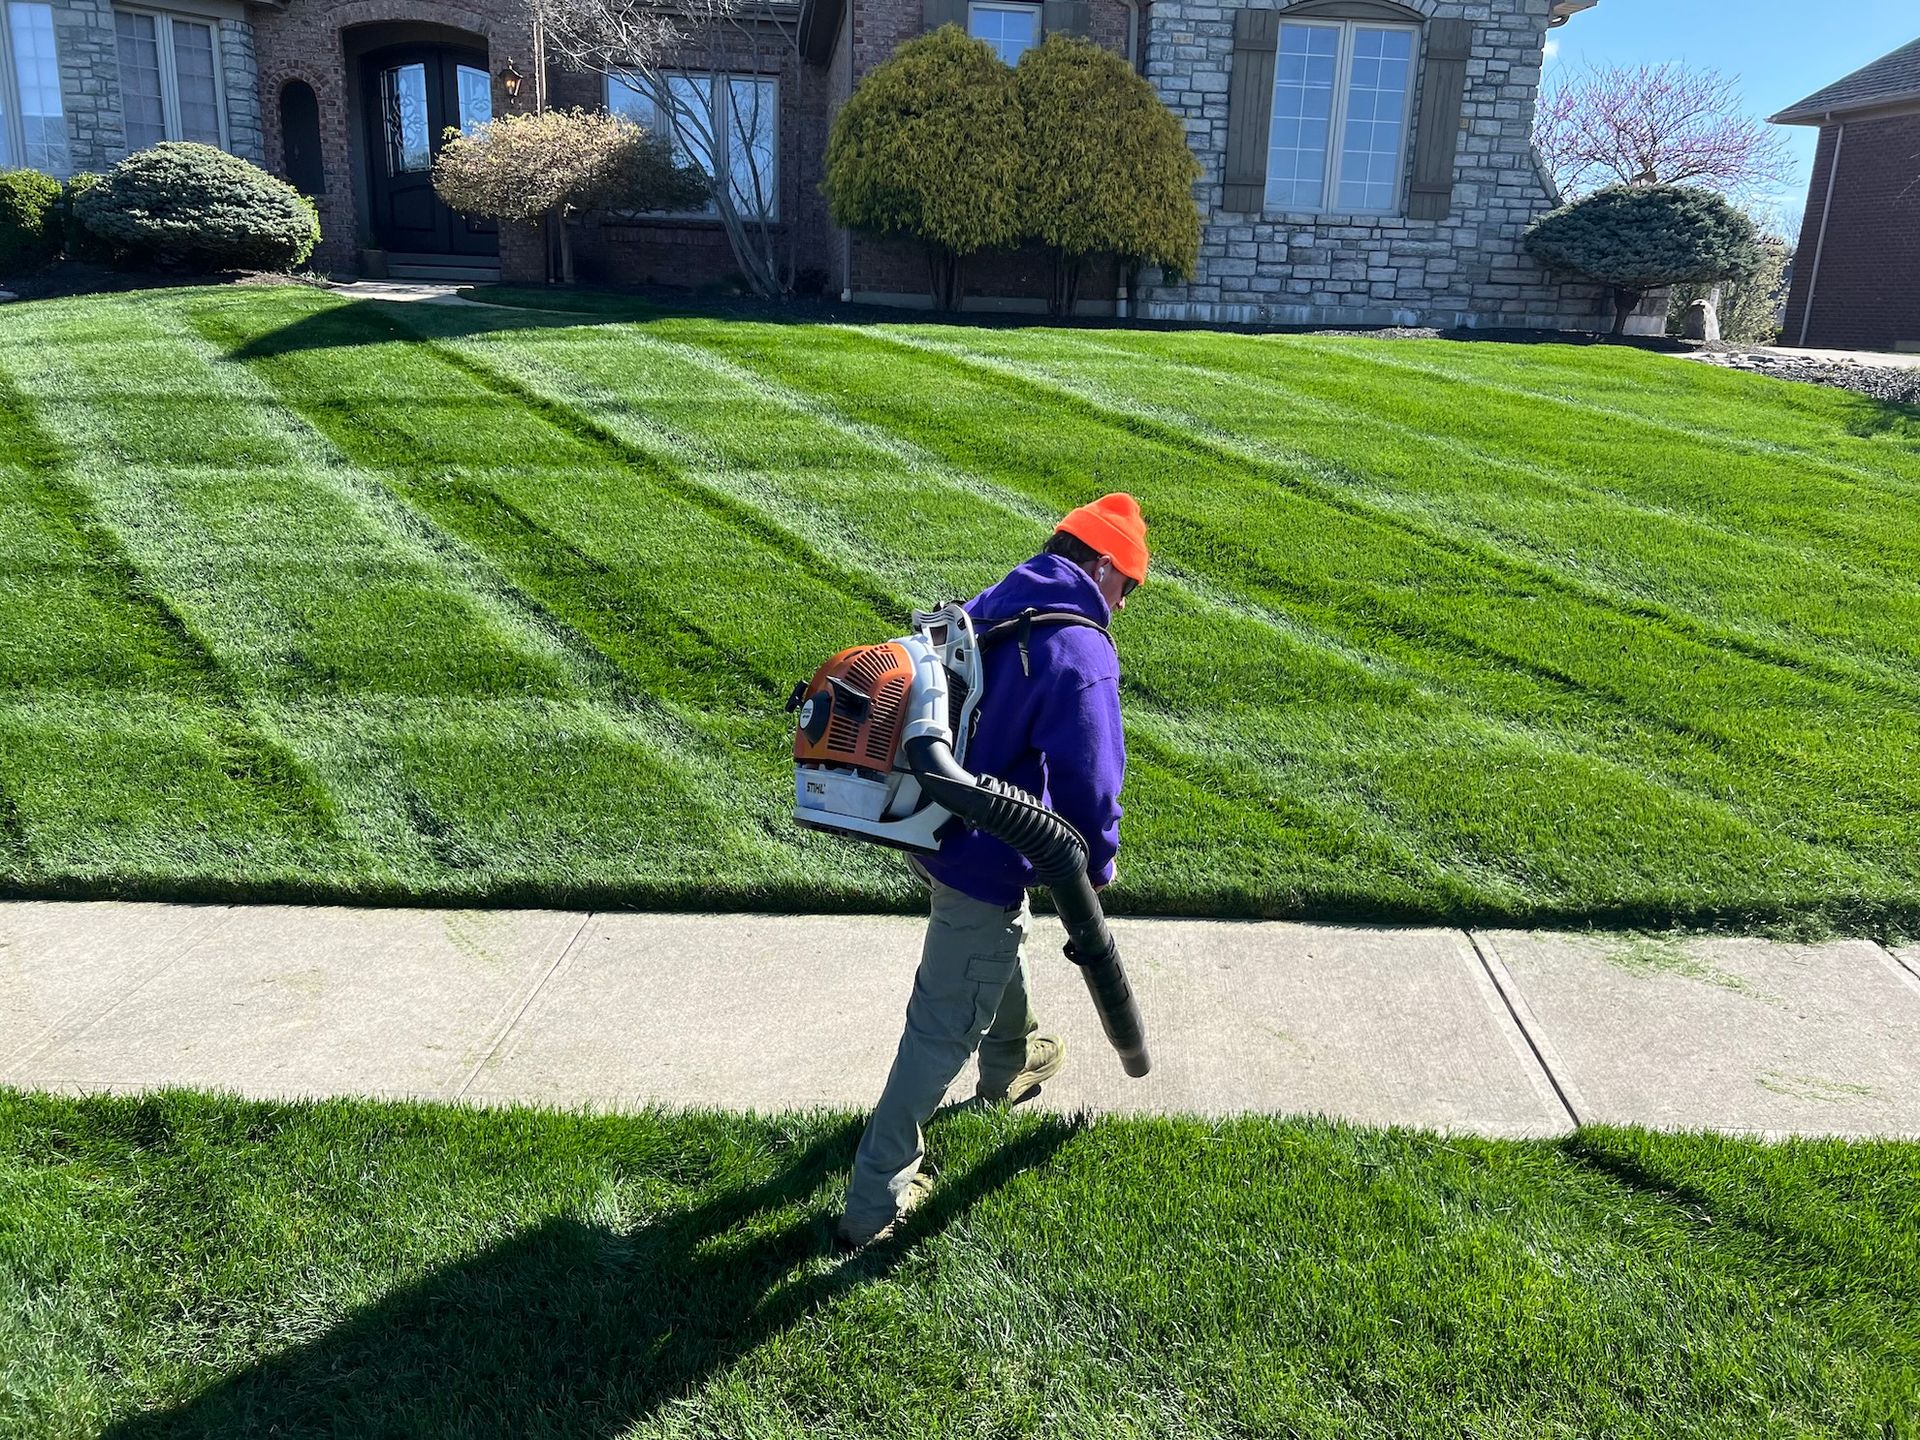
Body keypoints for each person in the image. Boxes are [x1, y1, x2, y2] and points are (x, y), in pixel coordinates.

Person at [835, 493, 1147, 1251]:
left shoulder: (996, 600)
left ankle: (1009, 1061)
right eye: (1128, 589)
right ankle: (872, 1203)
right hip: (979, 852)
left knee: (992, 943)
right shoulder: (1079, 650)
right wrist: (1096, 862)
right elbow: (1091, 782)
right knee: (941, 1025)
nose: (1124, 605)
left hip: (928, 828)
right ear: (1103, 565)